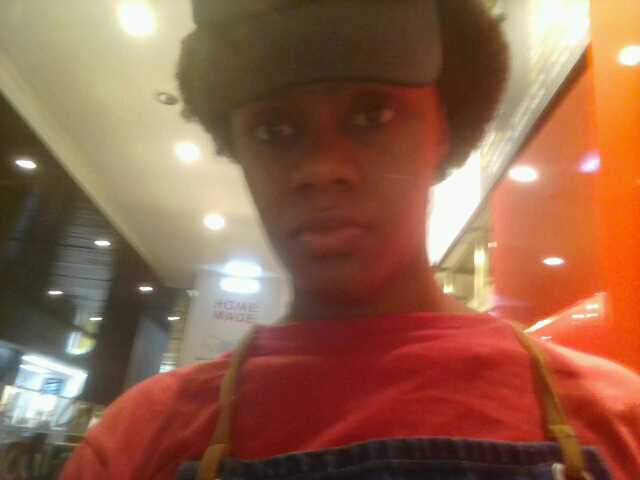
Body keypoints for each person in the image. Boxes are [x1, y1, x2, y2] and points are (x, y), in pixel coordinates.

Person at [62, 1, 640, 479]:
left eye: (372, 114)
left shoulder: (619, 421)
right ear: (236, 147)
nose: (322, 167)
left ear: (443, 128)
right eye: (275, 129)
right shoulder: (136, 443)